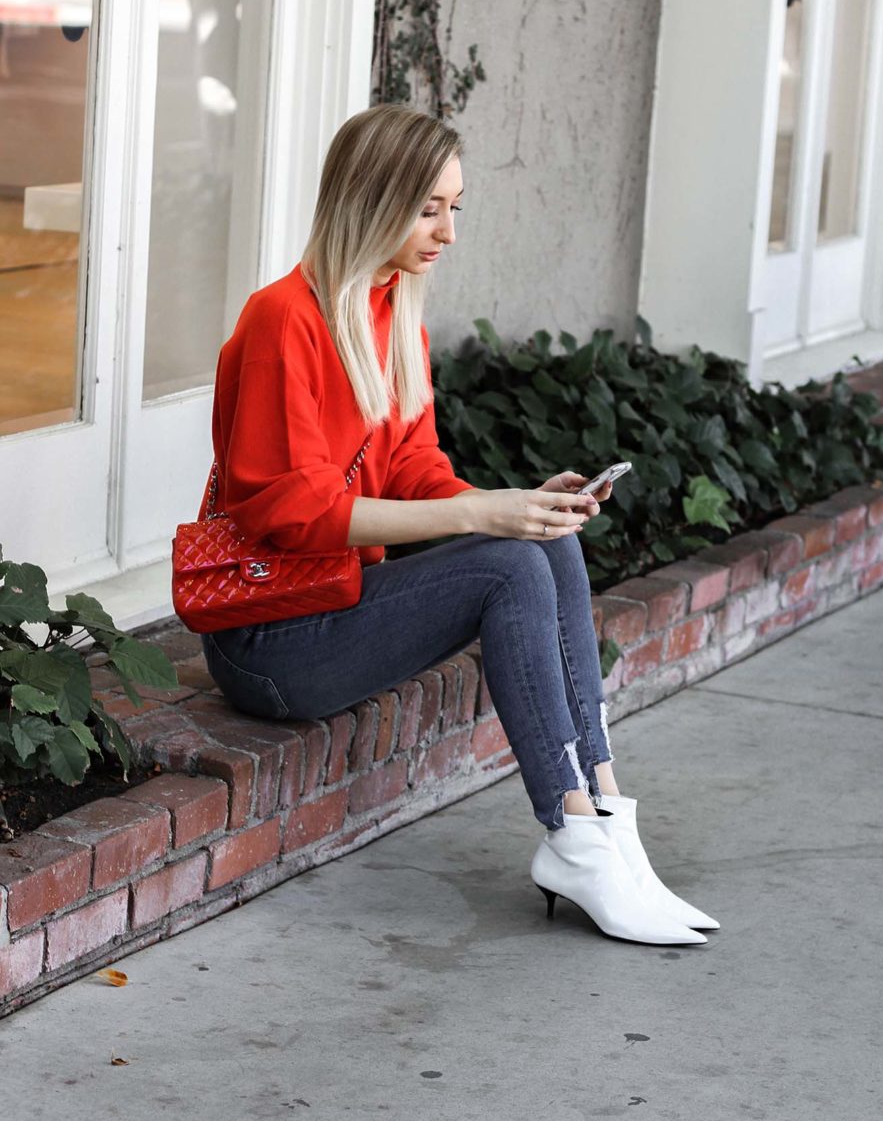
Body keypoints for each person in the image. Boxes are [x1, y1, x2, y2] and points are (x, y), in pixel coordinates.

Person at [199, 103, 719, 946]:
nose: (448, 231)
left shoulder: (393, 312)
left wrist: (517, 504)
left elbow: (414, 470)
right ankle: (573, 833)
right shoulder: (282, 321)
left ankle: (604, 815)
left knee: (542, 542)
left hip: (341, 600)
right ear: (371, 201)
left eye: (457, 207)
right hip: (270, 641)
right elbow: (291, 515)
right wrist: (478, 515)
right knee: (508, 565)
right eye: (429, 208)